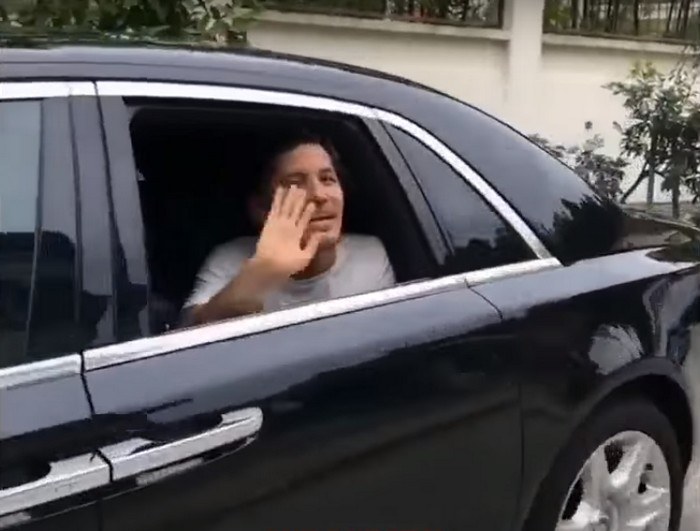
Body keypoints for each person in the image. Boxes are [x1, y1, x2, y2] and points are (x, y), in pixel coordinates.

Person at [183, 131, 396, 326]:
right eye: (295, 183)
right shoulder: (231, 258)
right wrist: (262, 273)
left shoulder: (371, 255)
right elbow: (185, 337)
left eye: (327, 179)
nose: (319, 195)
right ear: (260, 209)